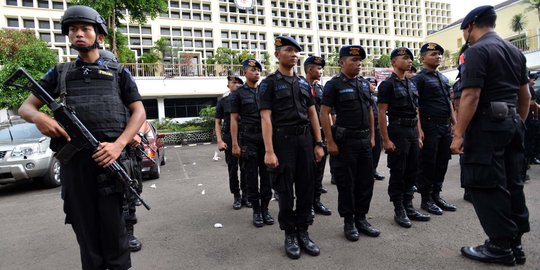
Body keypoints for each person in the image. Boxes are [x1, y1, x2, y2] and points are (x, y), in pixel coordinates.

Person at [18, 5, 146, 269]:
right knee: (86, 234)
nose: (79, 34)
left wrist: (118, 145)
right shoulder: (60, 73)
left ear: (98, 35)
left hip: (109, 163)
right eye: (73, 29)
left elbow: (139, 112)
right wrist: (39, 117)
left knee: (116, 235)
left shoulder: (119, 73)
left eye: (85, 29)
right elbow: (26, 106)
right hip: (75, 165)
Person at [450, 5, 530, 266]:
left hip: (486, 125)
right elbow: (525, 96)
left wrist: (459, 134)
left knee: (486, 184)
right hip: (512, 122)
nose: (465, 35)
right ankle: (515, 244)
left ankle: (499, 246)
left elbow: (471, 95)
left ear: (471, 26)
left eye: (464, 30)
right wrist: (516, 122)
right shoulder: (515, 52)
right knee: (512, 182)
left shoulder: (477, 51)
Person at [259, 36, 325, 259]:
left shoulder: (304, 83)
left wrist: (318, 143)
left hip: (305, 141)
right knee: (285, 191)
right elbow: (266, 118)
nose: (294, 54)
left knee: (307, 188)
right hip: (282, 142)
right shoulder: (268, 83)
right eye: (288, 50)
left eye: (296, 51)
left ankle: (303, 231)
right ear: (278, 55)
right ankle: (289, 233)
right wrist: (269, 150)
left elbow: (312, 113)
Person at [320, 45, 380, 241]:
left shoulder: (363, 84)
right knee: (347, 183)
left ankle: (361, 219)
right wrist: (330, 142)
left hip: (364, 140)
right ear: (341, 62)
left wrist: (372, 136)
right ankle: (349, 222)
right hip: (344, 142)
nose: (358, 63)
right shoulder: (333, 84)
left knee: (366, 182)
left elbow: (370, 110)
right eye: (353, 60)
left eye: (360, 60)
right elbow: (324, 113)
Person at [377, 47, 430, 228]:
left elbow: (416, 110)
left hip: (412, 132)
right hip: (398, 131)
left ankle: (409, 206)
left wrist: (419, 132)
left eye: (410, 58)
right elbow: (381, 113)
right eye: (405, 58)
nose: (409, 61)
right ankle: (399, 209)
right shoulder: (387, 85)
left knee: (412, 170)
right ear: (393, 62)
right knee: (398, 171)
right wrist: (385, 139)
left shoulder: (411, 83)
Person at [100, 49, 143, 252]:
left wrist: (135, 134)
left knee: (128, 195)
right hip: (99, 152)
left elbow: (141, 117)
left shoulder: (125, 92)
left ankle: (129, 234)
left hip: (125, 154)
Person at [412, 43, 457, 216]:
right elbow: (415, 106)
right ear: (423, 58)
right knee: (428, 164)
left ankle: (436, 195)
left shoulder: (443, 78)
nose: (438, 56)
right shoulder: (419, 79)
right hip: (429, 126)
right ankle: (426, 199)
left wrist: (455, 124)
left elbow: (449, 103)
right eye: (433, 54)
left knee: (442, 161)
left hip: (445, 126)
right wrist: (419, 129)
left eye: (439, 54)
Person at [230, 59, 273, 227]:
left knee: (267, 176)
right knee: (251, 178)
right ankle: (256, 211)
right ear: (245, 72)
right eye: (253, 69)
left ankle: (265, 209)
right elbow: (233, 120)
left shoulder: (265, 91)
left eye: (258, 70)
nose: (256, 72)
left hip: (266, 140)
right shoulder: (238, 94)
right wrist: (235, 143)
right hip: (248, 140)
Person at [215, 75, 250, 210]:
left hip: (245, 136)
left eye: (238, 83)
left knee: (246, 167)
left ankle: (246, 195)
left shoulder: (246, 100)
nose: (236, 85)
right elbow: (218, 122)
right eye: (233, 82)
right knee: (233, 168)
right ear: (228, 85)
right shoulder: (223, 102)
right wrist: (219, 140)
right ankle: (236, 195)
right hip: (229, 137)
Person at [303, 56, 332, 216]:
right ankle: (307, 204)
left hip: (321, 133)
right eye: (318, 68)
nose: (321, 71)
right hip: (306, 133)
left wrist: (328, 134)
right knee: (307, 171)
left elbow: (325, 111)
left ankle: (316, 201)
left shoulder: (320, 89)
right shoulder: (300, 86)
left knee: (319, 169)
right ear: (309, 69)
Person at [367, 77, 385, 181]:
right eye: (371, 84)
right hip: (367, 128)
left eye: (375, 84)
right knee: (368, 151)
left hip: (377, 127)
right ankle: (367, 172)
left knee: (377, 150)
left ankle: (373, 170)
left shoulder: (375, 98)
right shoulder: (364, 97)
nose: (374, 86)